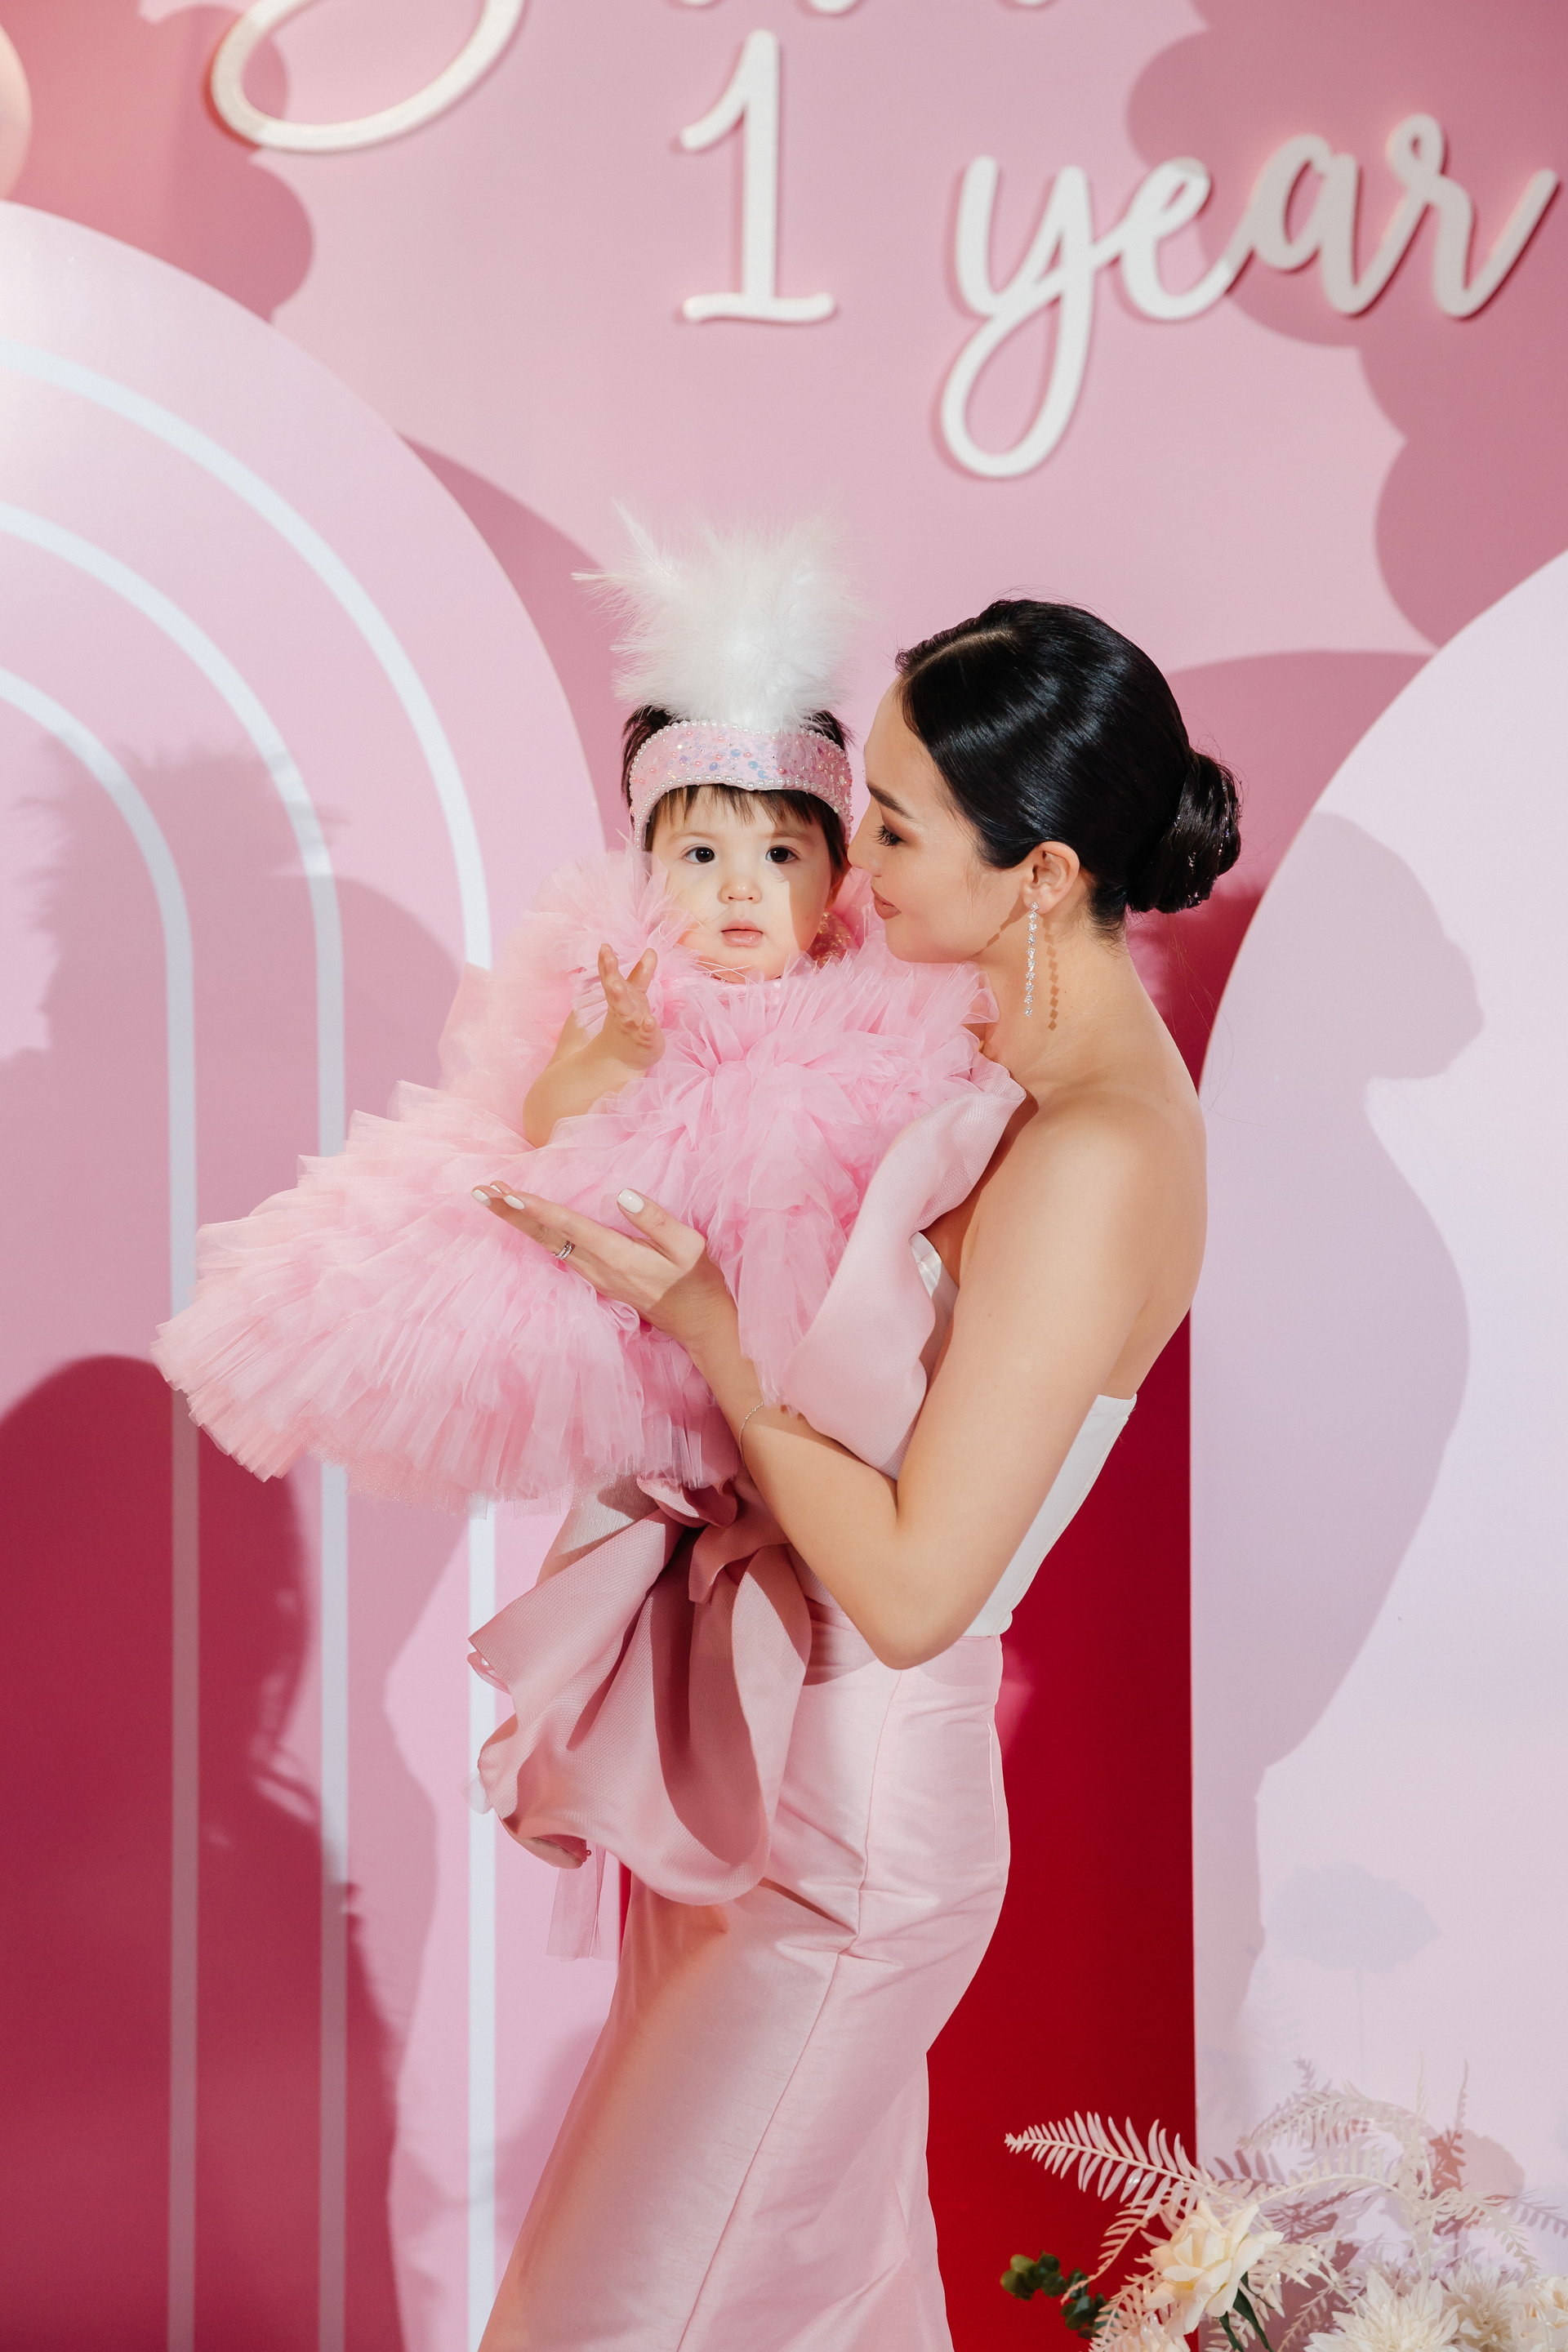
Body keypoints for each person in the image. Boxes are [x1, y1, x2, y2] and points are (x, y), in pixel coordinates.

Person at [468, 598, 1240, 2350]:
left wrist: (712, 1331)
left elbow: (909, 1589)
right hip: (758, 1777)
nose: (854, 867)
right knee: (819, 2317)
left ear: (1040, 874)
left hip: (849, 1828)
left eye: (890, 826)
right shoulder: (993, 1068)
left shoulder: (1100, 1149)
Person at [151, 519, 997, 1512]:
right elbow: (545, 1121)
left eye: (779, 856)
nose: (740, 888)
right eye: (700, 857)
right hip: (641, 1318)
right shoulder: (634, 985)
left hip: (794, 1306)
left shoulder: (872, 1004)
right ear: (649, 869)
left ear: (834, 878)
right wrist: (614, 1056)